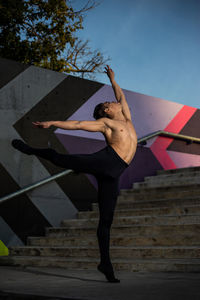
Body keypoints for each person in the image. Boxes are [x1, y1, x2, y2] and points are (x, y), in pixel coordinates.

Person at [12, 65, 138, 283]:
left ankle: (105, 264)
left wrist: (113, 79)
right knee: (65, 159)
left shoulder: (126, 118)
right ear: (107, 111)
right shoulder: (106, 123)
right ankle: (33, 150)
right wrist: (53, 123)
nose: (115, 102)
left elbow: (121, 95)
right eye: (110, 103)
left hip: (115, 172)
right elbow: (79, 124)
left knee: (106, 220)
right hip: (106, 160)